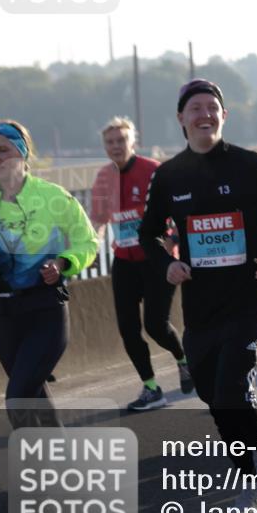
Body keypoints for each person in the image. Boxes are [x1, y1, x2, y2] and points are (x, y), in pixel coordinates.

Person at [138, 79, 257, 513]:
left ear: (224, 115)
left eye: (212, 107)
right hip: (200, 306)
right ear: (181, 118)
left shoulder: (252, 164)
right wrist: (166, 263)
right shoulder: (169, 175)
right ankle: (256, 458)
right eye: (195, 108)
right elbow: (148, 234)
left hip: (248, 299)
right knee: (212, 395)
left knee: (230, 392)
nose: (204, 114)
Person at [0, 121, 98, 513]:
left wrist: (62, 263)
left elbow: (87, 243)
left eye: (3, 150)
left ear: (23, 154)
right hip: (2, 314)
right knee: (34, 398)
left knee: (19, 397)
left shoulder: (54, 197)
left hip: (45, 311)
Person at [89, 117, 191, 411]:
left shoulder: (152, 170)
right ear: (104, 146)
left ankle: (183, 360)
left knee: (156, 325)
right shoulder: (103, 177)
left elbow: (178, 209)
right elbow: (98, 220)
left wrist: (172, 241)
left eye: (121, 140)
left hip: (156, 259)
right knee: (128, 328)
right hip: (124, 261)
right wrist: (91, 246)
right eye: (110, 142)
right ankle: (151, 388)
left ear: (133, 141)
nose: (116, 146)